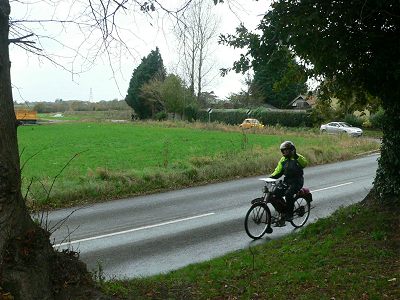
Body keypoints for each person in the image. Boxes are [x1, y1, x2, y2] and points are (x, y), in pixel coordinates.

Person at [270, 141, 308, 225]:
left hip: (297, 181)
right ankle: (283, 212)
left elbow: (304, 163)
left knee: (288, 194)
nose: (285, 152)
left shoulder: (298, 158)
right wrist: (271, 177)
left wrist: (295, 156)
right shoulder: (283, 160)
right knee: (273, 195)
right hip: (287, 181)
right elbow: (278, 171)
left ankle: (289, 214)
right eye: (283, 151)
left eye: (286, 150)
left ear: (292, 150)